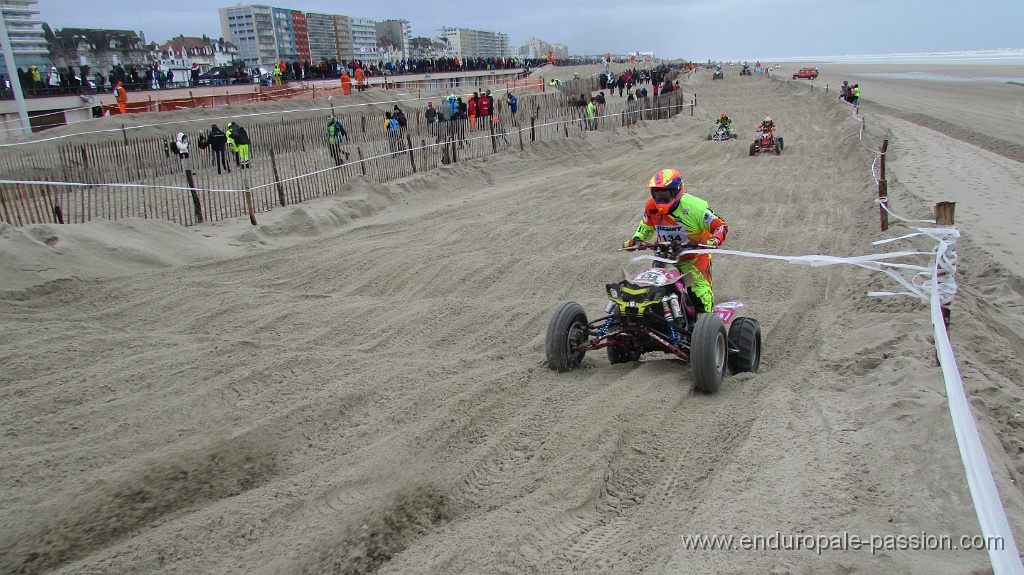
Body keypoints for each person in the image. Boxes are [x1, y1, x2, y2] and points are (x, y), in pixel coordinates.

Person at [623, 169, 728, 314]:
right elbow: (646, 226)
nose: (661, 198)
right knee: (650, 292)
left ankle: (704, 324)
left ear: (677, 191)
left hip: (694, 257)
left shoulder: (694, 207)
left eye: (666, 194)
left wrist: (715, 239)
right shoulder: (651, 208)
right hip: (663, 256)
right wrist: (638, 239)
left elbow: (720, 226)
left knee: (701, 296)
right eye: (657, 194)